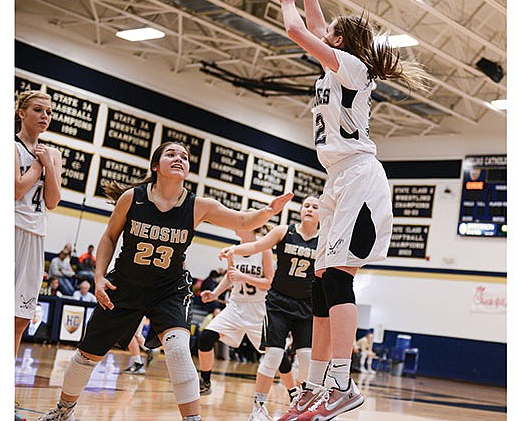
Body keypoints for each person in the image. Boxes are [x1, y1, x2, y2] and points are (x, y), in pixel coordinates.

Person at [266, 0, 429, 419]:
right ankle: (317, 385)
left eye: (332, 35)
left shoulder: (353, 67)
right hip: (337, 179)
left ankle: (342, 382)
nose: (325, 36)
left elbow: (299, 30)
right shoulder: (338, 65)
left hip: (359, 176)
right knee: (320, 285)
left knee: (338, 279)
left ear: (341, 42)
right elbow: (317, 28)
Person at [36, 141, 292, 421]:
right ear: (156, 165)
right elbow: (110, 237)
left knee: (179, 350)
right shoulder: (133, 198)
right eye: (171, 154)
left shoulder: (198, 205)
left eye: (184, 156)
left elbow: (243, 220)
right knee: (88, 355)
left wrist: (269, 210)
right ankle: (63, 412)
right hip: (125, 284)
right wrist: (98, 277)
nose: (179, 158)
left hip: (169, 290)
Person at [220, 196, 320, 421]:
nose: (310, 209)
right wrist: (233, 250)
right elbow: (256, 245)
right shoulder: (284, 231)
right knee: (274, 354)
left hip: (307, 305)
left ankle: (302, 404)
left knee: (306, 357)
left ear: (323, 214)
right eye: (306, 206)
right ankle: (258, 406)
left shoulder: (324, 240)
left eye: (315, 207)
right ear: (300, 210)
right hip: (279, 303)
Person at [15, 90, 62, 421]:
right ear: (21, 112)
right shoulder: (10, 147)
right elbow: (17, 188)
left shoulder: (52, 153)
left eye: (48, 111)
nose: (44, 116)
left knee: (18, 319)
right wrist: (39, 163)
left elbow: (53, 200)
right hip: (10, 228)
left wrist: (50, 166)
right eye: (37, 110)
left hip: (36, 235)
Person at [196, 223, 275, 397]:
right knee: (206, 338)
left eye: (243, 222)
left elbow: (269, 282)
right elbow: (230, 276)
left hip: (257, 309)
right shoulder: (233, 250)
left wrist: (244, 277)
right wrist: (215, 294)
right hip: (235, 306)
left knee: (275, 353)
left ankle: (293, 392)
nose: (237, 224)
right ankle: (206, 381)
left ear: (253, 226)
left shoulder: (264, 250)